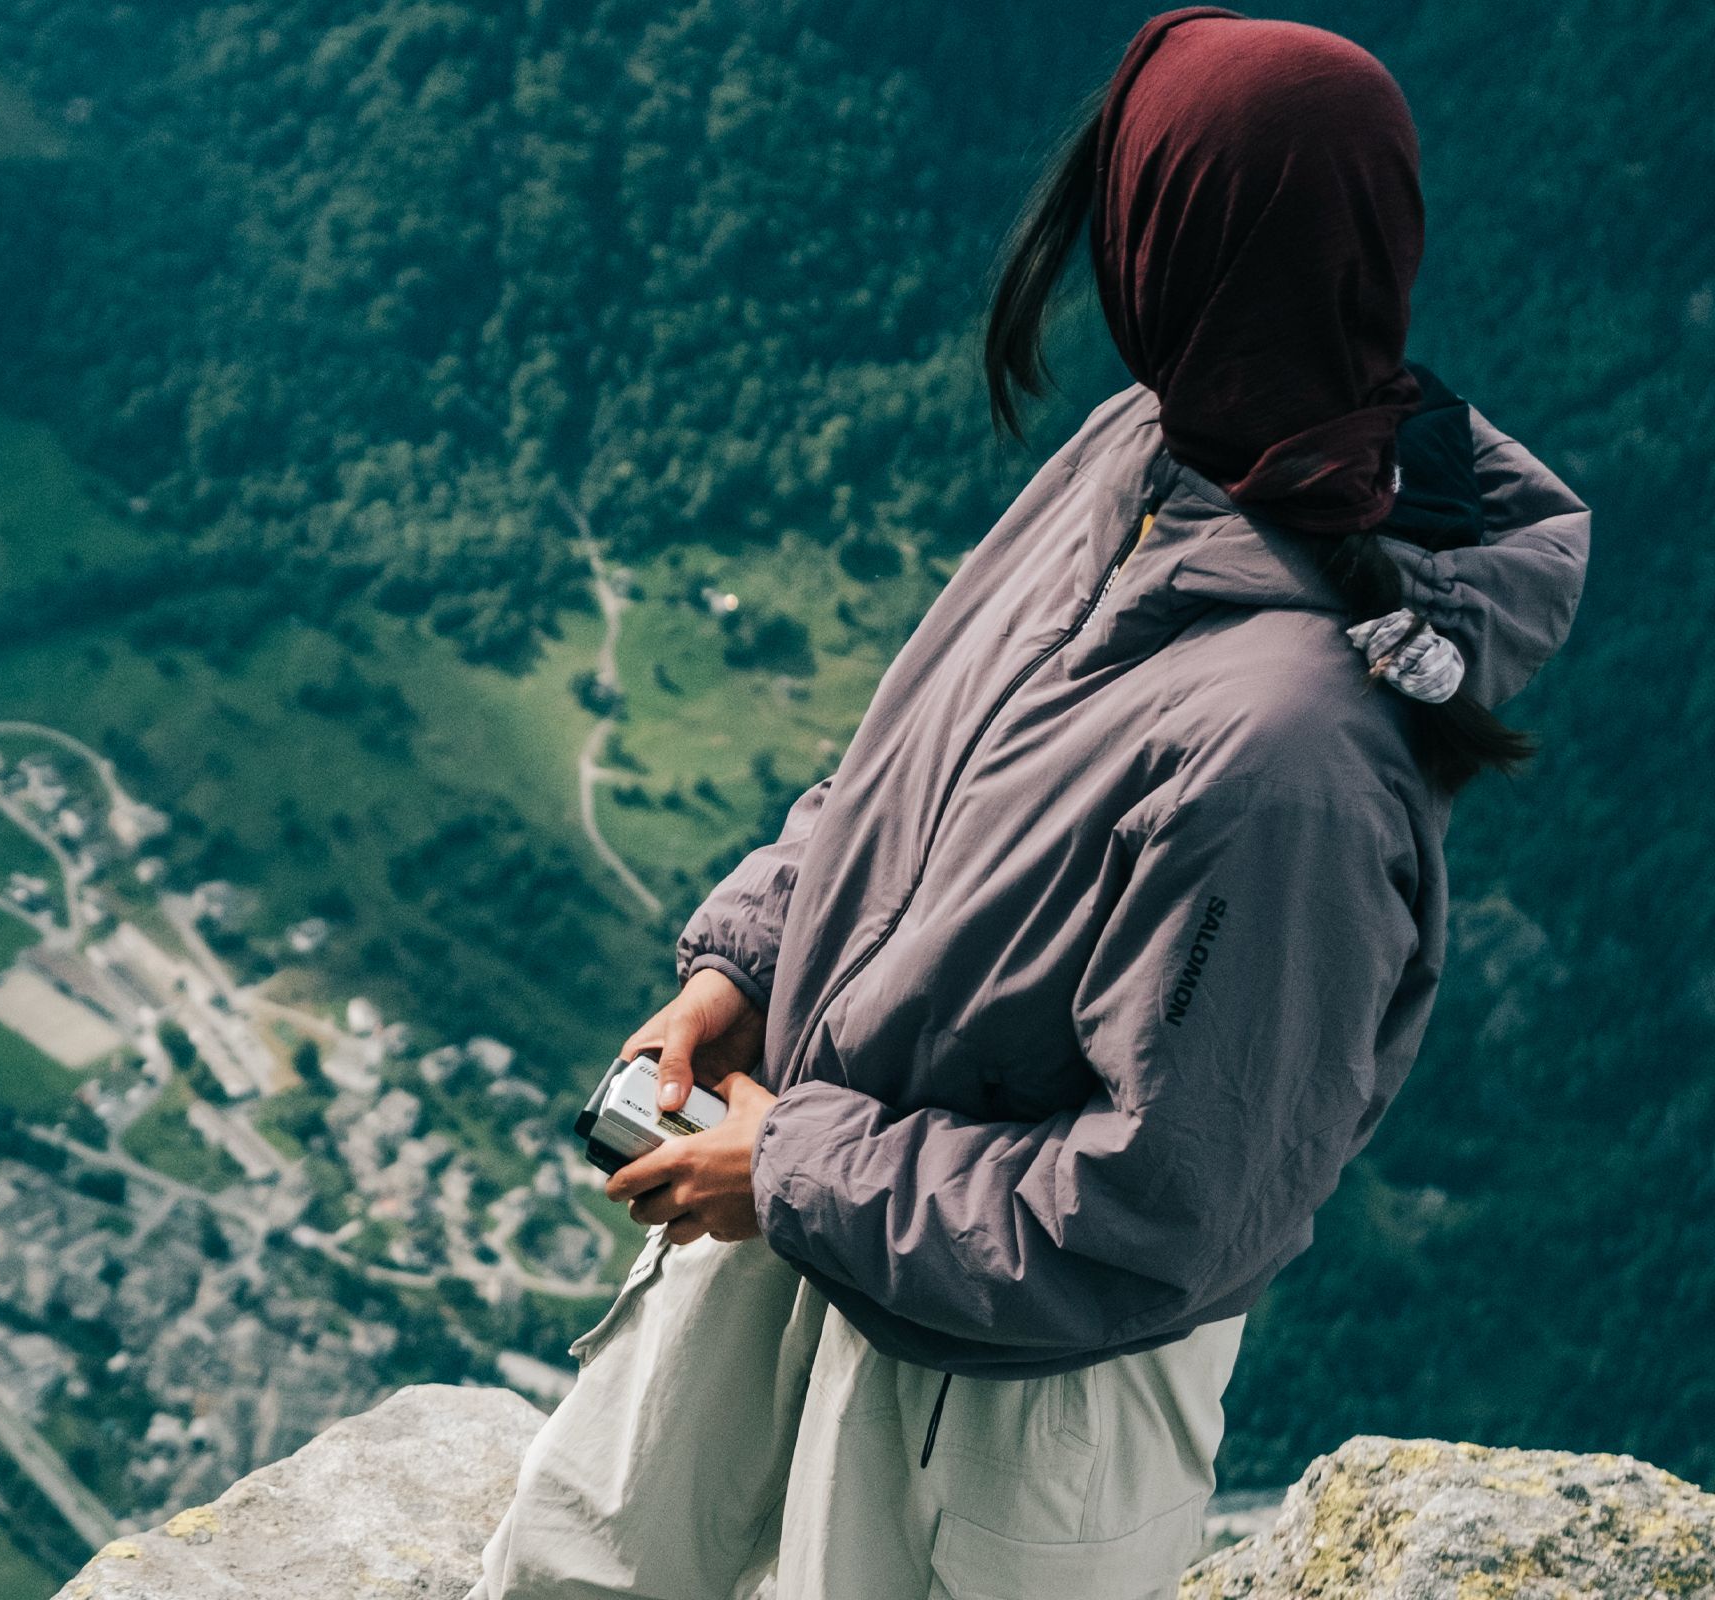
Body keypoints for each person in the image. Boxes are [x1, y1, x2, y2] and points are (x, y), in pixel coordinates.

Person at [469, 11, 1588, 1599]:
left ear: (1179, 248)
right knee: (582, 1567)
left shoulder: (1291, 753)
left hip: (1017, 1381)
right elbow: (914, 770)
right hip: (825, 1180)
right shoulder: (1146, 453)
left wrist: (794, 1171)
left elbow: (1160, 1215)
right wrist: (750, 964)